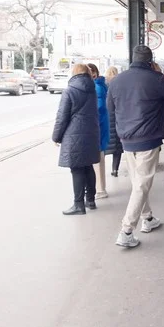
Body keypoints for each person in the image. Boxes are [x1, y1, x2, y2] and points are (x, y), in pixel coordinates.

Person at [108, 45, 164, 248]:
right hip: (148, 139)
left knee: (138, 183)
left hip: (126, 139)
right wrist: (159, 76)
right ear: (150, 60)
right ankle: (126, 230)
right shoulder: (155, 78)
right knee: (141, 185)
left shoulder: (117, 81)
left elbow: (110, 108)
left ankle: (148, 218)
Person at [52, 64, 102, 215]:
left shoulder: (70, 91)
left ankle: (78, 204)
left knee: (77, 169)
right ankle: (91, 200)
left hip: (75, 134)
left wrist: (56, 136)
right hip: (91, 133)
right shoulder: (92, 89)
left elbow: (62, 117)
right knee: (88, 166)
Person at [89, 64, 110, 199]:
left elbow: (99, 107)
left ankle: (100, 189)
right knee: (99, 157)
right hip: (102, 125)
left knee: (97, 158)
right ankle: (101, 188)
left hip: (98, 126)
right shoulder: (101, 85)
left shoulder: (96, 87)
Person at [105, 66, 123, 177]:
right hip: (117, 118)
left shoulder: (104, 85)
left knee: (105, 145)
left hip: (107, 118)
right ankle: (115, 169)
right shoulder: (119, 85)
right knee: (117, 147)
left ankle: (100, 170)